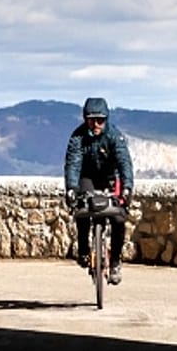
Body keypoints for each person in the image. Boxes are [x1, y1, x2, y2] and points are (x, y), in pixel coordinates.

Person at [63, 97, 134, 285]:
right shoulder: (78, 137)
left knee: (119, 218)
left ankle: (116, 261)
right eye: (91, 119)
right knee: (82, 211)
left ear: (106, 119)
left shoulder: (114, 136)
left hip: (111, 179)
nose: (96, 124)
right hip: (87, 178)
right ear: (85, 119)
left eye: (100, 120)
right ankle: (84, 250)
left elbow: (124, 162)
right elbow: (73, 163)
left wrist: (126, 189)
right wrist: (71, 188)